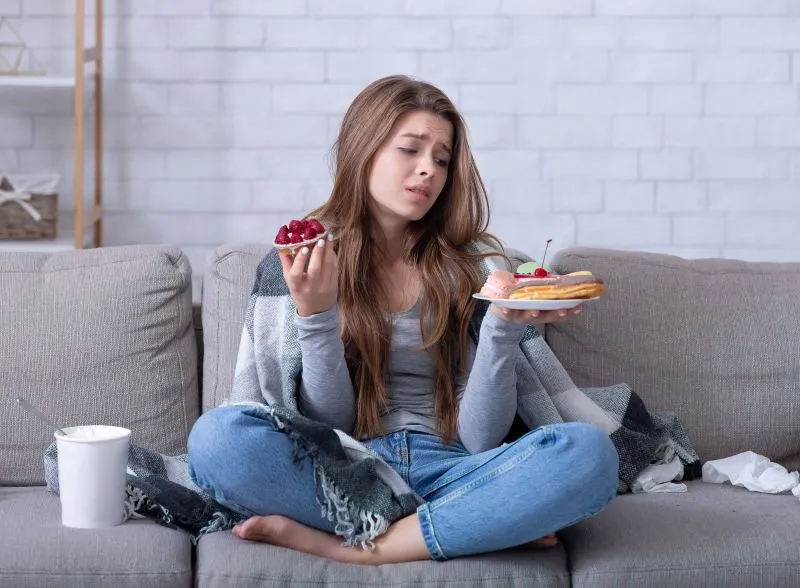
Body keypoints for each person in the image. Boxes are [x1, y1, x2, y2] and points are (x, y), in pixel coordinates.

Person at [187, 75, 619, 564]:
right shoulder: (302, 260)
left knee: (589, 455)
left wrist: (502, 326)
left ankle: (360, 547)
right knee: (216, 439)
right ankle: (467, 523)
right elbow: (331, 424)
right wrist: (315, 315)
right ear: (364, 149)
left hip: (455, 467)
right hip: (345, 470)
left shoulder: (474, 266)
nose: (428, 171)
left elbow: (479, 439)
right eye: (410, 150)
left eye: (441, 159)